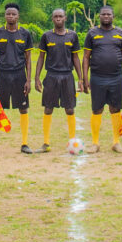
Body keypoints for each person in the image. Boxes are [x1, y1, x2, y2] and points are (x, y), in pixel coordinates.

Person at [83, 5, 122, 153]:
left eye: (109, 14)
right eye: (103, 14)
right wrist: (84, 78)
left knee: (115, 109)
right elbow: (86, 57)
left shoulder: (120, 34)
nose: (106, 17)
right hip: (97, 78)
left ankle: (116, 142)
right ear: (99, 16)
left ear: (113, 16)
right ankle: (95, 143)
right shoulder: (92, 33)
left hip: (116, 78)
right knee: (97, 109)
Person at [35, 8, 83, 153]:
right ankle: (46, 143)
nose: (58, 19)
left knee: (69, 109)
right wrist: (37, 77)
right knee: (48, 108)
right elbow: (41, 58)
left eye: (60, 16)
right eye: (55, 16)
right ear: (52, 19)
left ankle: (73, 142)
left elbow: (75, 58)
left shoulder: (72, 36)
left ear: (65, 18)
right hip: (51, 76)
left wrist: (80, 79)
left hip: (67, 76)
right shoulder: (46, 36)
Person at [0, 3, 34, 154]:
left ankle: (24, 143)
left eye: (13, 14)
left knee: (23, 108)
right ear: (5, 15)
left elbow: (28, 59)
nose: (11, 16)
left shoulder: (25, 34)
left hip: (19, 75)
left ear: (18, 16)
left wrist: (28, 80)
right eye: (8, 14)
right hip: (2, 74)